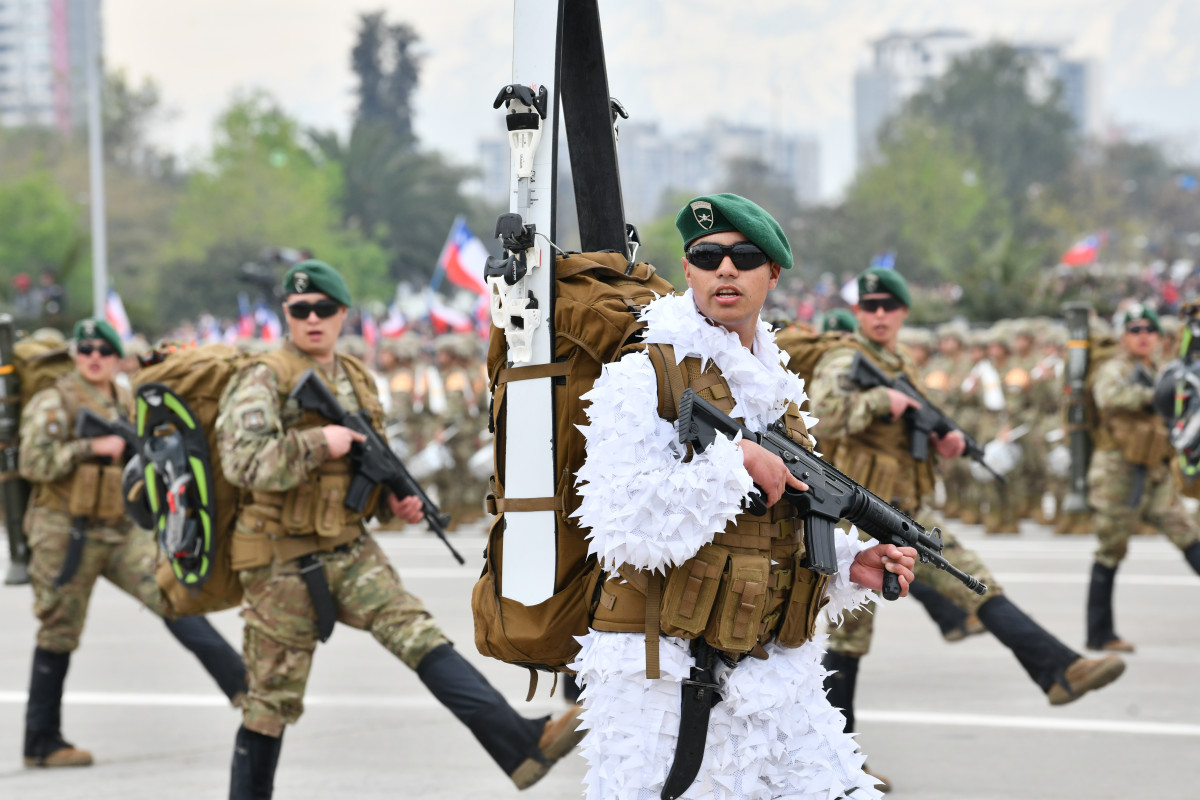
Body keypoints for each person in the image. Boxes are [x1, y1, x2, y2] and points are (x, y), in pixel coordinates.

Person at [571, 194, 919, 800]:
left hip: (775, 672)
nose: (725, 270)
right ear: (688, 271)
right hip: (664, 677)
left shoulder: (779, 393)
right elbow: (622, 524)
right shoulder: (645, 373)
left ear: (773, 273)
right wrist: (735, 463)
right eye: (707, 256)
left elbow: (775, 530)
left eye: (744, 257)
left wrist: (847, 565)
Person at [216, 261, 582, 798]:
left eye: (323, 309)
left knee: (420, 636)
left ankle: (520, 746)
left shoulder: (356, 377)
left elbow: (369, 463)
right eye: (300, 310)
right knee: (270, 701)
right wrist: (324, 442)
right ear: (287, 315)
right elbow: (243, 463)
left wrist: (395, 503)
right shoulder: (264, 376)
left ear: (343, 314)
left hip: (349, 546)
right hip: (279, 557)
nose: (312, 319)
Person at [808, 269, 1127, 791]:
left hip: (904, 513)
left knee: (977, 582)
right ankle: (832, 765)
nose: (880, 314)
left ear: (904, 312)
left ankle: (1059, 669)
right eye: (870, 307)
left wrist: (942, 441)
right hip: (857, 521)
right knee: (849, 640)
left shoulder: (900, 362)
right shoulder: (845, 359)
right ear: (860, 313)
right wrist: (879, 402)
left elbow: (901, 438)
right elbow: (821, 415)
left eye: (889, 305)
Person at [20, 318, 246, 768]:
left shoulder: (126, 398)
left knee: (172, 595)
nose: (94, 359)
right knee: (59, 629)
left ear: (115, 356)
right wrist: (90, 448)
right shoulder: (55, 400)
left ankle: (243, 687)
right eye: (85, 351)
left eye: (103, 352)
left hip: (121, 529)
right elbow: (33, 461)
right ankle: (41, 742)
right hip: (66, 530)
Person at [1083, 305, 1200, 652]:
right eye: (1135, 330)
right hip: (1118, 473)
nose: (1144, 336)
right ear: (1123, 337)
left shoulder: (1161, 369)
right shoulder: (1114, 368)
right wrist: (1156, 396)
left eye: (1150, 330)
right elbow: (1108, 396)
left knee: (1188, 535)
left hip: (1155, 471)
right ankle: (1099, 632)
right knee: (1110, 550)